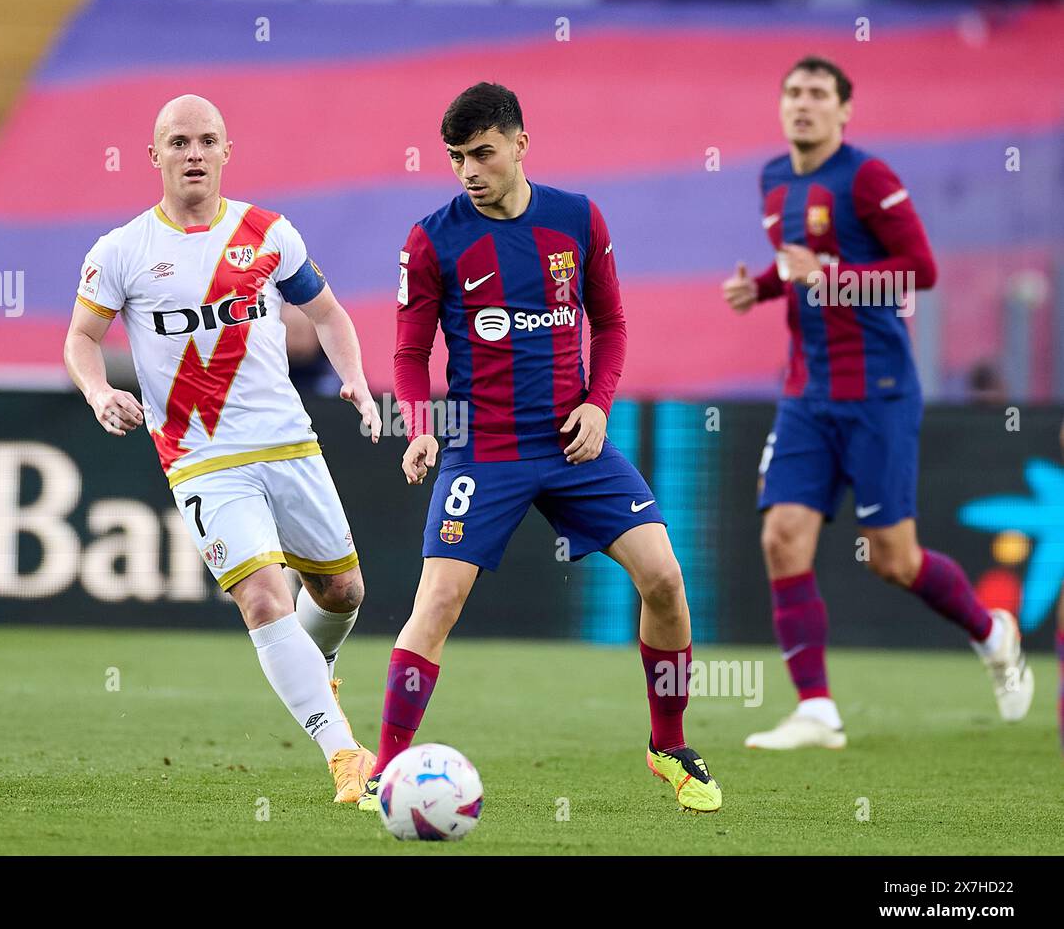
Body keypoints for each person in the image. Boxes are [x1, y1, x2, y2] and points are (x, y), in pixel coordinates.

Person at [358, 82, 722, 813]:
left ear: (520, 143)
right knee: (438, 601)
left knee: (665, 578)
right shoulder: (433, 238)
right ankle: (387, 772)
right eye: (456, 157)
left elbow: (612, 324)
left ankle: (669, 745)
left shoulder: (578, 219)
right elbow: (408, 352)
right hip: (481, 448)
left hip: (571, 444)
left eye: (482, 154)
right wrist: (421, 428)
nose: (468, 170)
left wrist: (598, 404)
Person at [63, 95, 381, 802]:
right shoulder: (121, 252)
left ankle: (314, 671)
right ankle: (344, 755)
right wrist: (97, 393)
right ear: (156, 156)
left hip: (288, 442)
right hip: (201, 456)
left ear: (227, 151)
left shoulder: (268, 233)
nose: (194, 153)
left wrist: (355, 379)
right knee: (265, 598)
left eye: (207, 140)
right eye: (178, 142)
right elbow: (81, 340)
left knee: (342, 591)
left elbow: (327, 312)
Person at [721, 56, 1033, 749]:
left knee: (893, 558)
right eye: (792, 93)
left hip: (879, 394)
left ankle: (992, 633)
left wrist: (828, 275)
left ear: (844, 110)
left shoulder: (868, 177)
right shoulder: (774, 179)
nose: (802, 104)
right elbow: (795, 266)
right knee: (781, 537)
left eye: (817, 94)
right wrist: (764, 289)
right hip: (807, 391)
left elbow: (919, 271)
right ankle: (817, 712)